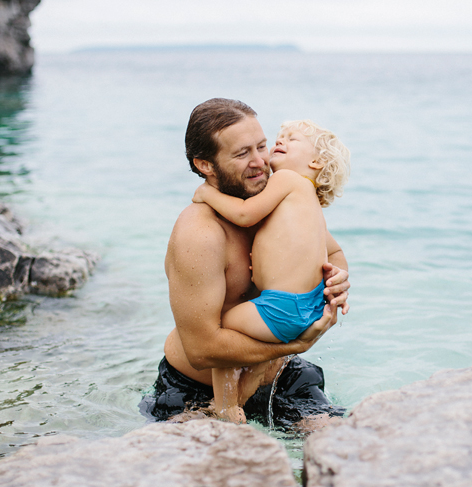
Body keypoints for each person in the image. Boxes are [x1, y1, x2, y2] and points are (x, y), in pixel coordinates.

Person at [140, 98, 350, 429]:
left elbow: (333, 252)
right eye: (242, 154)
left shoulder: (274, 205)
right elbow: (202, 350)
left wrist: (334, 280)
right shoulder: (200, 234)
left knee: (342, 443)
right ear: (205, 165)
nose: (260, 162)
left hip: (280, 375)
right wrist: (299, 343)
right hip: (197, 391)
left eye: (262, 146)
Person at [192, 119, 351, 422]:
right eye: (279, 137)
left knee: (222, 330)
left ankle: (225, 408)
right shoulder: (309, 203)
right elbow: (337, 252)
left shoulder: (287, 180)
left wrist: (206, 194)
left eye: (293, 139)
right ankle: (247, 389)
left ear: (315, 161)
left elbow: (243, 214)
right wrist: (337, 280)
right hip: (310, 304)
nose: (281, 140)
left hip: (281, 306)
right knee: (258, 351)